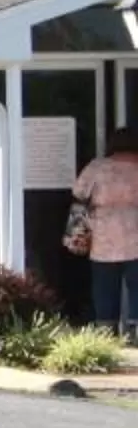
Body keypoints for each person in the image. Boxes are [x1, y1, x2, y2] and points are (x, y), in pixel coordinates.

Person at [76, 131, 138, 329]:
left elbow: (79, 193)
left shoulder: (97, 168)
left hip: (103, 240)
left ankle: (106, 332)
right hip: (135, 238)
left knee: (105, 290)